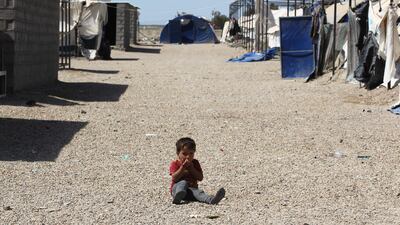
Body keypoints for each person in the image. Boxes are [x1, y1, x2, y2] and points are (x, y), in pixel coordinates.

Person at [169, 137, 225, 205]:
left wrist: (192, 168)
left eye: (191, 153)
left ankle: (212, 200)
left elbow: (200, 178)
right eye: (184, 154)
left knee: (199, 193)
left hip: (191, 190)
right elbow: (174, 178)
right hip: (176, 189)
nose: (188, 156)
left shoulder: (195, 163)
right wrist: (183, 168)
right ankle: (178, 196)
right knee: (183, 183)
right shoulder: (175, 163)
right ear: (178, 153)